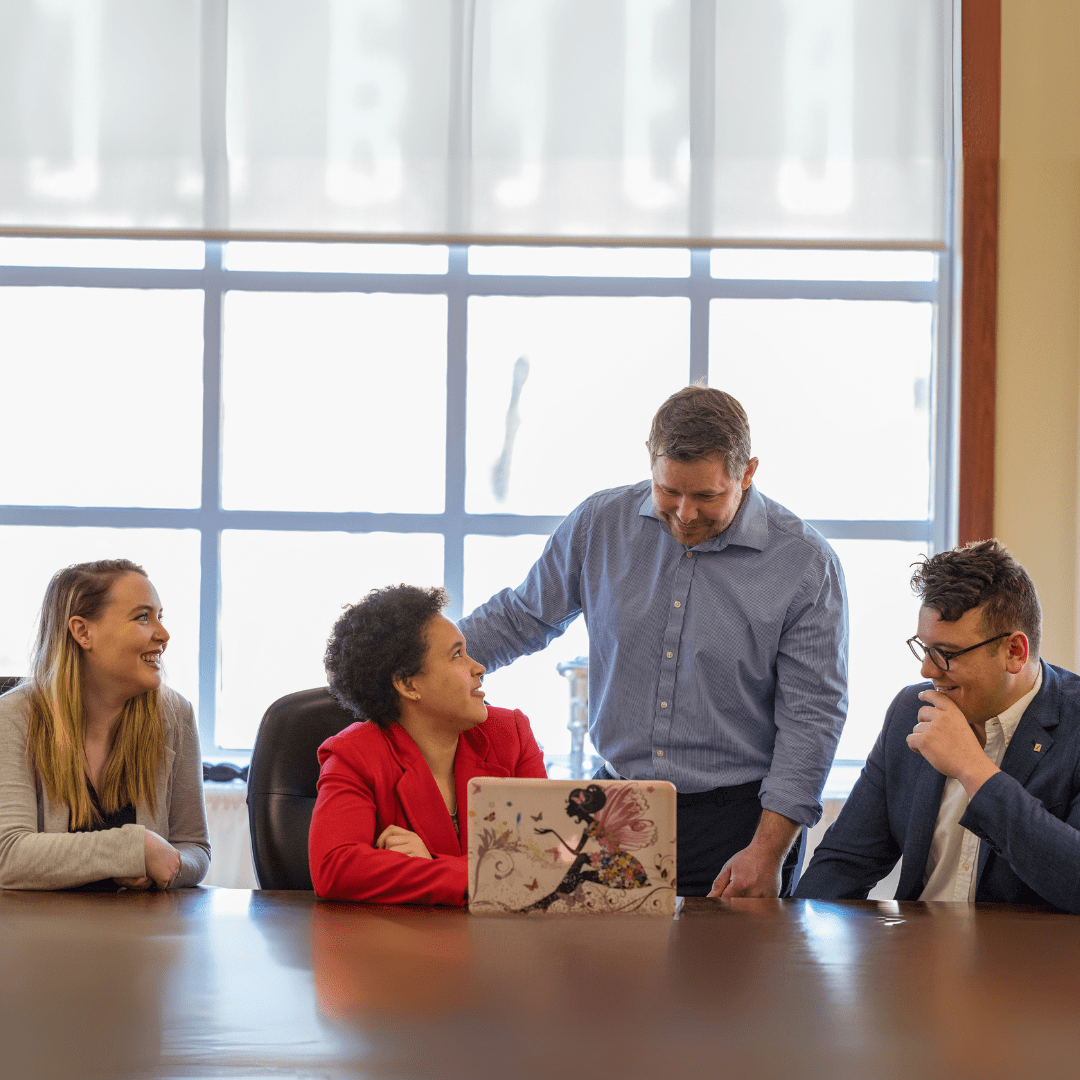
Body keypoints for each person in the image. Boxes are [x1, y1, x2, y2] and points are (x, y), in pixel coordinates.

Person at [459, 385, 849, 898]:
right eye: (669, 491)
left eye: (707, 496)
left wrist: (768, 850)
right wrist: (419, 663)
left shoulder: (805, 564)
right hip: (614, 807)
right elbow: (520, 618)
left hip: (739, 826)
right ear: (650, 460)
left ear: (748, 473)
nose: (685, 513)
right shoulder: (598, 524)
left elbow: (812, 718)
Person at [796, 540, 1080, 913]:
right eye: (924, 647)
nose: (927, 670)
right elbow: (844, 864)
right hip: (919, 944)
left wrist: (973, 769)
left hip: (1029, 950)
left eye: (945, 654)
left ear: (1015, 652)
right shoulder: (910, 711)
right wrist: (798, 938)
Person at [309, 584, 546, 905]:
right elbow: (334, 868)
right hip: (403, 936)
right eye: (457, 655)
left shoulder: (511, 734)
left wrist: (432, 862)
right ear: (408, 684)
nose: (479, 668)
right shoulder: (354, 754)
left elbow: (546, 862)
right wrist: (483, 874)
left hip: (500, 934)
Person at [0, 559, 210, 891]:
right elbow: (8, 855)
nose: (163, 634)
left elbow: (194, 847)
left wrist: (169, 864)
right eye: (142, 617)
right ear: (83, 632)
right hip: (43, 924)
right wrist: (133, 850)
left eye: (160, 616)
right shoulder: (14, 715)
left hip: (140, 924)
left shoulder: (175, 714)